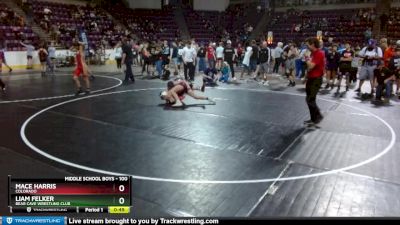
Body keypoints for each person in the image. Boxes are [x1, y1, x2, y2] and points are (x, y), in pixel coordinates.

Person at [304, 37, 325, 126]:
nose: (307, 47)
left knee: (310, 99)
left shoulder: (319, 53)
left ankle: (318, 116)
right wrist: (306, 76)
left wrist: (306, 57)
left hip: (316, 79)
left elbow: (311, 66)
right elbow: (309, 67)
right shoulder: (313, 53)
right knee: (309, 99)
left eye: (308, 45)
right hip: (311, 78)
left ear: (312, 44)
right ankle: (313, 119)